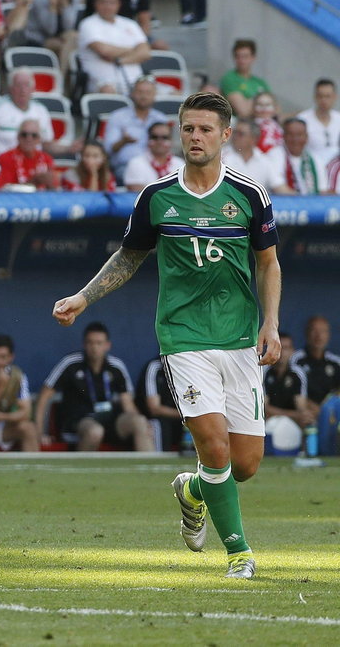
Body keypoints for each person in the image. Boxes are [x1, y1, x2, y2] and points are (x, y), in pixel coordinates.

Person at [52, 90, 282, 579]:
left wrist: (271, 323)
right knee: (215, 448)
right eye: (187, 128)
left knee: (245, 464)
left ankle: (193, 489)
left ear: (225, 134)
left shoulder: (248, 195)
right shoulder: (156, 197)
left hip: (239, 339)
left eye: (204, 129)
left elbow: (268, 262)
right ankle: (239, 553)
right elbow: (129, 255)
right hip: (183, 337)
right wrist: (83, 297)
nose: (194, 137)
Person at [34, 322, 152, 451]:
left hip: (109, 420)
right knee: (95, 431)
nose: (94, 347)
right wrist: (40, 432)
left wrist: (143, 422)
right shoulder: (70, 363)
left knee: (140, 422)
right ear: (84, 344)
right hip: (79, 421)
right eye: (90, 343)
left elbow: (128, 404)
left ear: (108, 345)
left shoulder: (116, 366)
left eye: (99, 343)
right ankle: (81, 469)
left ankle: (149, 470)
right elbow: (44, 396)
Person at [76, 0, 149, 94]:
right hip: (102, 84)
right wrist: (133, 50)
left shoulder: (130, 24)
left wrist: (119, 61)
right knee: (108, 91)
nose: (107, 6)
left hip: (137, 84)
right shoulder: (88, 23)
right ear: (95, 3)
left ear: (119, 4)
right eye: (103, 2)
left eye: (111, 2)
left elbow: (146, 53)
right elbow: (104, 51)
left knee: (173, 94)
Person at [103, 76, 166, 178]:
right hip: (125, 167)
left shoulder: (160, 118)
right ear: (132, 94)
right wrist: (123, 141)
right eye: (140, 92)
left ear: (154, 95)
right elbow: (108, 149)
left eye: (148, 93)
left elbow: (167, 147)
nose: (144, 96)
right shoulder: (118, 116)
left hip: (155, 166)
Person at [0, 68, 54, 157]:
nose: (22, 90)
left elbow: (47, 144)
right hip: (1, 166)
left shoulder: (41, 110)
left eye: (26, 85)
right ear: (10, 88)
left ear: (33, 88)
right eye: (18, 85)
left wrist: (70, 148)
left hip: (31, 166)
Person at [23, 0, 82, 76]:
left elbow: (69, 26)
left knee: (73, 36)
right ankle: (62, 79)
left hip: (61, 38)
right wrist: (53, 7)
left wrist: (64, 2)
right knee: (69, 46)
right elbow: (50, 30)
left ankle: (61, 77)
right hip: (39, 40)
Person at [221, 119, 289, 195]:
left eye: (240, 134)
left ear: (254, 139)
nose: (235, 137)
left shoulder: (265, 161)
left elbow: (279, 187)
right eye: (235, 133)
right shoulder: (221, 156)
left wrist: (301, 201)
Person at [290, 316, 340, 415]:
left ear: (328, 335)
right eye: (314, 330)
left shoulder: (336, 362)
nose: (318, 336)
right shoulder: (295, 359)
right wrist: (319, 411)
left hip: (331, 414)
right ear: (307, 333)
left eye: (323, 331)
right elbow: (291, 391)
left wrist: (328, 408)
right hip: (303, 415)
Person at [264, 332, 312, 430]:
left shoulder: (297, 373)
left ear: (292, 351)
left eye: (286, 348)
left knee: (308, 420)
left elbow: (301, 408)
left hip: (292, 425)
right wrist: (294, 415)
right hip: (268, 424)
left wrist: (301, 416)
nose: (282, 352)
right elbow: (264, 409)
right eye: (278, 347)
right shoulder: (263, 371)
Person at [268, 118, 326, 195]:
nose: (295, 139)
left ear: (306, 137)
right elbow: (277, 186)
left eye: (299, 135)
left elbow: (322, 190)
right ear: (283, 136)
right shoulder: (274, 155)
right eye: (290, 134)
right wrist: (302, 202)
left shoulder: (315, 159)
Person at [0, 118, 56, 189]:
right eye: (24, 135)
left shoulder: (47, 159)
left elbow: (55, 191)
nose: (29, 139)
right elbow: (4, 191)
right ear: (18, 137)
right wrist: (34, 182)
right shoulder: (6, 158)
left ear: (39, 139)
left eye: (34, 135)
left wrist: (49, 183)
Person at [138, 355, 183, 452]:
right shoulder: (155, 367)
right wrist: (187, 415)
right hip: (160, 419)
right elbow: (154, 408)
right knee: (158, 424)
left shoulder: (191, 368)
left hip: (184, 419)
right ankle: (159, 461)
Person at [123, 121, 184, 192]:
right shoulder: (135, 163)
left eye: (164, 137)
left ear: (171, 140)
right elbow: (136, 192)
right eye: (154, 137)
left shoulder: (180, 164)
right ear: (148, 139)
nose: (159, 141)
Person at [219, 40, 269, 120]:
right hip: (244, 125)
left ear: (253, 58)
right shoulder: (229, 78)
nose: (241, 61)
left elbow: (275, 109)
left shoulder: (260, 82)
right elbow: (243, 112)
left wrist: (250, 101)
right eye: (238, 56)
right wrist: (259, 97)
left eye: (245, 56)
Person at [295, 79, 339, 164]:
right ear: (315, 97)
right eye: (320, 96)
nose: (323, 100)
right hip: (312, 167)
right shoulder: (302, 120)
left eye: (327, 96)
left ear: (335, 97)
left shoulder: (338, 118)